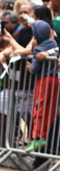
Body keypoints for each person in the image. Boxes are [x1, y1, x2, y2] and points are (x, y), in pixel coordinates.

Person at [25, 21, 58, 152]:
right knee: (49, 109)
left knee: (39, 107)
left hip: (43, 81)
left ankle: (38, 137)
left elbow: (34, 69)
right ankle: (43, 137)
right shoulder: (54, 44)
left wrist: (30, 68)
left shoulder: (38, 49)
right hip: (55, 80)